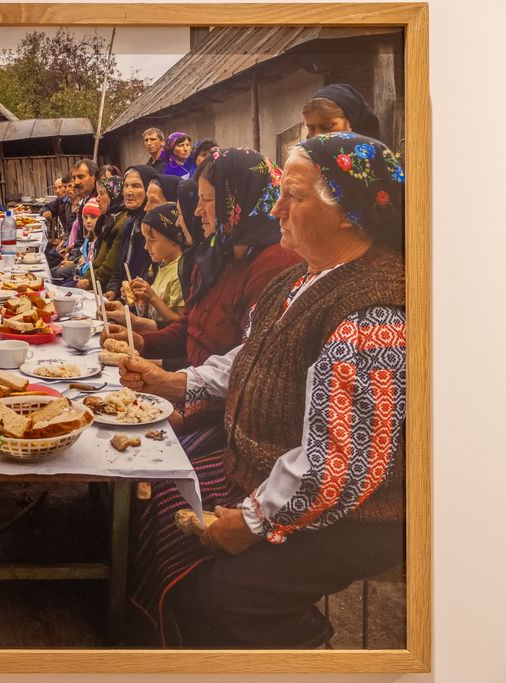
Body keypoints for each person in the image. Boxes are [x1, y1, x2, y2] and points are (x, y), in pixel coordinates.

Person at [120, 133, 406, 648]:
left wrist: (250, 521)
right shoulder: (303, 279)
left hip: (359, 513)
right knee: (160, 494)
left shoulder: (373, 312)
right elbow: (248, 357)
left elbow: (337, 464)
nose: (275, 209)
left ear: (347, 210)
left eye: (293, 196)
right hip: (269, 466)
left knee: (216, 593)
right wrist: (177, 381)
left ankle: (306, 650)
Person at [105, 203, 186, 328]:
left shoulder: (180, 272)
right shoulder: (159, 264)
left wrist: (152, 298)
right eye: (145, 239)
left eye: (152, 240)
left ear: (174, 239)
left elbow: (180, 323)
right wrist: (138, 298)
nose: (146, 246)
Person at [105, 164, 157, 300]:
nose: (128, 191)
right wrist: (113, 288)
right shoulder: (130, 224)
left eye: (136, 186)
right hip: (124, 298)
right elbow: (121, 265)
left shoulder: (154, 231)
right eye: (126, 185)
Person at [77, 174, 127, 292]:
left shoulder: (121, 223)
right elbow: (97, 261)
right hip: (97, 280)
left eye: (102, 193)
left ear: (114, 195)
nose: (97, 198)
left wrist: (89, 282)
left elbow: (109, 266)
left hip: (104, 286)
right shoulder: (111, 219)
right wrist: (86, 278)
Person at [302, 83, 381, 140]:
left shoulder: (377, 159)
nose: (317, 136)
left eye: (327, 126)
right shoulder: (301, 160)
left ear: (350, 123)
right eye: (311, 128)